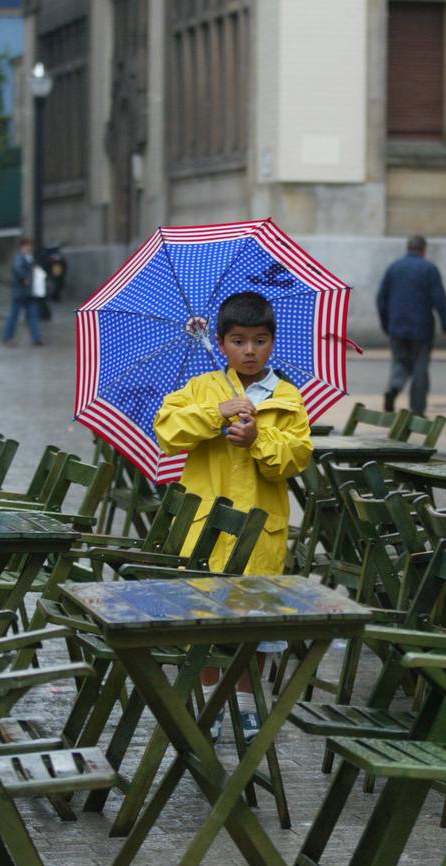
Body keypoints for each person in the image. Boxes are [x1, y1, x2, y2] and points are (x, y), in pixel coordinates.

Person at [154, 291, 313, 739]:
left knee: (256, 622)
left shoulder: (286, 397)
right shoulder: (203, 390)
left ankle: (246, 702)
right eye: (239, 341)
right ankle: (210, 703)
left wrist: (259, 440)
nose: (249, 351)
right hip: (208, 528)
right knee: (205, 619)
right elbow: (168, 431)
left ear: (273, 342)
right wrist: (215, 412)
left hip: (261, 531)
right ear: (221, 343)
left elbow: (296, 457)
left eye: (260, 341)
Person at [375, 234, 446, 415]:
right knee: (420, 367)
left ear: (408, 248)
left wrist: (386, 323)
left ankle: (393, 389)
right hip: (422, 328)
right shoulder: (429, 269)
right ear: (424, 250)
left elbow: (381, 298)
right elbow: (439, 300)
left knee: (400, 361)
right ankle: (417, 409)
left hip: (397, 327)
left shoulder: (394, 268)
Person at [3, 237, 45, 347]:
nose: (29, 248)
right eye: (26, 246)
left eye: (30, 246)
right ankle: (8, 337)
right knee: (14, 316)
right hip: (21, 292)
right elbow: (18, 269)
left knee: (33, 315)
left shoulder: (29, 258)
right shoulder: (19, 258)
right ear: (21, 247)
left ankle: (37, 338)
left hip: (30, 292)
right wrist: (25, 277)